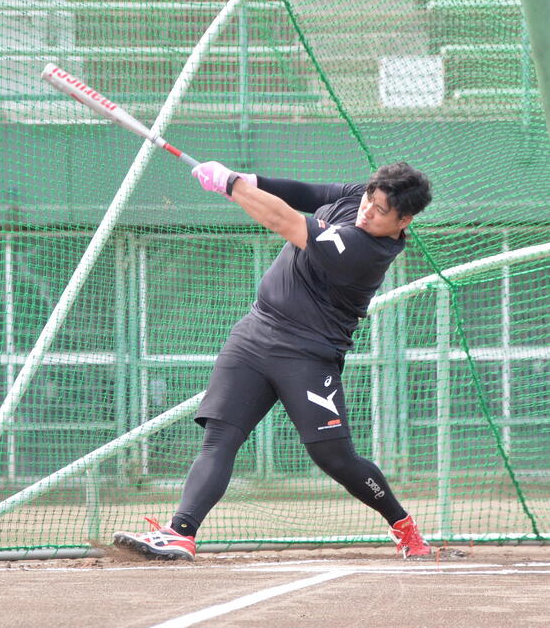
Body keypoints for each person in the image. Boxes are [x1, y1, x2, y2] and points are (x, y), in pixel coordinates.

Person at [113, 160, 433, 561]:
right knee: (219, 438)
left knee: (335, 458)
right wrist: (253, 181)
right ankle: (181, 532)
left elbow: (286, 220)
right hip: (255, 333)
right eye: (370, 198)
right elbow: (305, 194)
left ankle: (403, 526)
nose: (367, 209)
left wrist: (231, 185)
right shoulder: (361, 198)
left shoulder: (366, 250)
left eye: (381, 210)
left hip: (308, 355)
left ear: (404, 220)